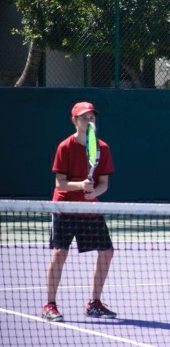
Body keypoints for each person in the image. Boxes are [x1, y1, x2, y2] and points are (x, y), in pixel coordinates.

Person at [41, 102, 116, 322]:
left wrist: (93, 194)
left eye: (91, 117)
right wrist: (80, 186)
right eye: (84, 117)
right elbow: (60, 184)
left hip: (88, 208)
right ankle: (50, 304)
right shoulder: (65, 147)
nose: (89, 120)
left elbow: (103, 183)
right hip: (64, 207)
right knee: (60, 253)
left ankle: (94, 303)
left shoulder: (103, 148)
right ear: (74, 120)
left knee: (107, 252)